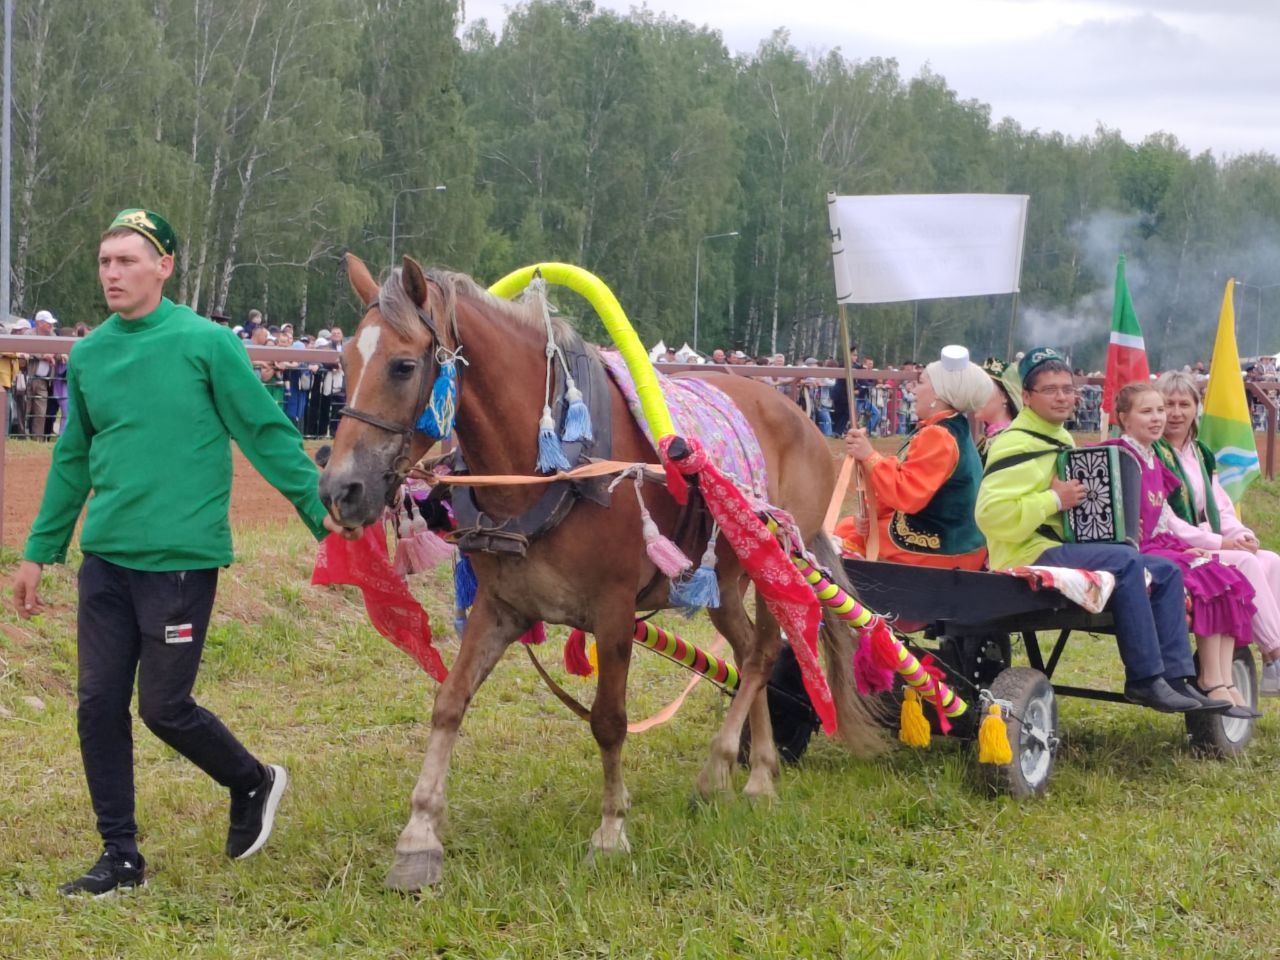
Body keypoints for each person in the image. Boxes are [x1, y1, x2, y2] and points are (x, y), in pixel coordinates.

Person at [12, 208, 351, 897]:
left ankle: (252, 781)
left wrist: (324, 517)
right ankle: (121, 857)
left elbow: (265, 433)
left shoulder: (206, 344)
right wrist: (39, 550)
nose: (112, 272)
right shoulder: (90, 354)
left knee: (163, 707)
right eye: (105, 261)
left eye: (127, 260)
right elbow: (73, 456)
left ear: (164, 267)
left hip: (180, 560)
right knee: (97, 704)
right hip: (106, 558)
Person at [976, 347, 1228, 715]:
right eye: (1050, 390)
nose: (1062, 396)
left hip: (1054, 545)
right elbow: (990, 515)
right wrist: (1053, 500)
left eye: (1068, 388)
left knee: (1166, 571)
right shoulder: (1016, 442)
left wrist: (1117, 524)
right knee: (1127, 562)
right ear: (1026, 397)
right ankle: (1144, 680)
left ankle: (1175, 679)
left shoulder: (1060, 437)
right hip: (1026, 552)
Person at [1106, 382, 1258, 718]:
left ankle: (1217, 678)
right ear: (1124, 418)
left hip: (1161, 544)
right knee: (1208, 579)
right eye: (1147, 411)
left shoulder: (1153, 460)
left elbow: (1166, 519)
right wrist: (1120, 529)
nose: (1159, 418)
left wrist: (1194, 546)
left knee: (1227, 579)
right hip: (1138, 550)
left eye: (1160, 410)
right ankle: (1209, 680)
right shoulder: (1114, 453)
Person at [1155, 369, 1280, 696]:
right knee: (1246, 563)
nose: (1176, 413)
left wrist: (1242, 533)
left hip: (1209, 537)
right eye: (1168, 404)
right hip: (1178, 545)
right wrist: (1222, 542)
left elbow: (1220, 506)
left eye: (1185, 404)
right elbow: (1165, 519)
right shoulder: (1153, 453)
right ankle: (1274, 657)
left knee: (1269, 559)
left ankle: (1273, 658)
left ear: (1196, 408)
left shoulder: (1200, 453)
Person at [836, 345, 991, 570]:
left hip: (946, 549)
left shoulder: (938, 435)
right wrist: (871, 512)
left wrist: (869, 456)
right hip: (952, 538)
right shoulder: (949, 427)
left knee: (844, 536)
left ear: (938, 392)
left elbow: (907, 494)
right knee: (850, 527)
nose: (914, 390)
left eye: (921, 383)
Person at [976, 357, 1021, 461]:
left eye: (984, 388)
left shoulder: (1012, 442)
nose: (975, 394)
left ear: (1005, 396)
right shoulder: (989, 439)